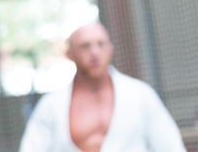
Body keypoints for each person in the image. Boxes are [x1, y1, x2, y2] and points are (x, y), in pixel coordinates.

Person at [19, 21, 185, 152]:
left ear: (110, 49)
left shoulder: (141, 95)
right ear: (70, 54)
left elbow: (171, 147)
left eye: (101, 44)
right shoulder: (50, 106)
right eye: (85, 46)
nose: (94, 52)